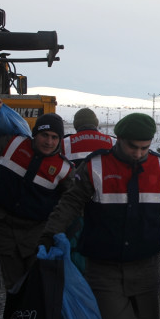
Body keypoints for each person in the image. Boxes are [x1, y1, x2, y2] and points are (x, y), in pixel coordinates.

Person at [39, 113, 160, 319]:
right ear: (119, 139)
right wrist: (51, 232)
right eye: (132, 147)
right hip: (104, 266)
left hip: (146, 265)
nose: (138, 153)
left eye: (144, 148)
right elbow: (70, 202)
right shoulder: (95, 165)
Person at [0, 101, 73, 291]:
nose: (49, 141)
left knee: (37, 287)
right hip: (3, 229)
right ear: (35, 134)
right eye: (44, 135)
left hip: (36, 236)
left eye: (55, 137)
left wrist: (61, 232)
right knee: (14, 288)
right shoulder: (13, 145)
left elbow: (71, 203)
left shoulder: (63, 169)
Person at [61, 108, 114, 272]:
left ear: (76, 125)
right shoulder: (114, 142)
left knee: (77, 250)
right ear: (96, 124)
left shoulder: (65, 143)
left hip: (76, 207)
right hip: (107, 206)